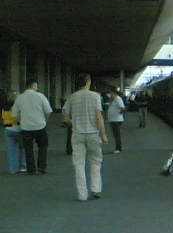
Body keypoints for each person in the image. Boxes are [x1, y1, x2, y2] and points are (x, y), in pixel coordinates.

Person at [62, 73, 109, 201]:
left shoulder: (72, 97)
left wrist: (74, 123)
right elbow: (99, 116)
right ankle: (96, 189)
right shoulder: (95, 96)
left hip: (77, 134)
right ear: (88, 82)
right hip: (93, 134)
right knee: (95, 161)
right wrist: (104, 135)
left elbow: (65, 117)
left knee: (78, 164)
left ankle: (82, 195)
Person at [12, 78, 53, 175]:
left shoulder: (20, 98)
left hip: (26, 127)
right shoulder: (40, 96)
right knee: (43, 146)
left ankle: (31, 169)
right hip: (40, 125)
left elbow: (15, 115)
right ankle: (41, 167)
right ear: (34, 86)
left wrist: (22, 122)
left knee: (28, 148)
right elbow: (48, 111)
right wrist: (44, 120)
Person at [2, 91, 27, 174]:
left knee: (12, 150)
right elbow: (18, 117)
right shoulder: (17, 106)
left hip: (8, 129)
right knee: (23, 148)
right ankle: (23, 166)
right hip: (18, 129)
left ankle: (13, 168)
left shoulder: (4, 107)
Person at [106, 88, 125, 153]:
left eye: (111, 93)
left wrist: (120, 113)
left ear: (114, 93)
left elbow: (122, 107)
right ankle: (118, 148)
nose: (110, 94)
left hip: (117, 120)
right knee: (115, 134)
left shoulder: (118, 99)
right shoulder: (114, 99)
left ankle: (118, 148)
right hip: (114, 120)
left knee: (117, 134)